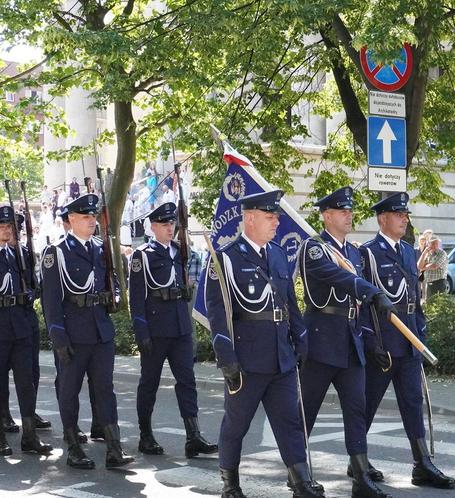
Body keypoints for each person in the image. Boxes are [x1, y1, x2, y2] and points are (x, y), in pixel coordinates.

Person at [205, 190, 324, 498]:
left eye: (276, 217)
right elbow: (218, 314)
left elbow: (289, 304)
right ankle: (230, 484)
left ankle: (300, 482)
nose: (276, 223)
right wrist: (225, 358)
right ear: (250, 218)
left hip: (281, 357)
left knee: (290, 422)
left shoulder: (278, 254)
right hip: (246, 359)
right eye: (270, 217)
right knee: (237, 424)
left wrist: (301, 338)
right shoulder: (225, 258)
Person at [299, 187, 394, 498]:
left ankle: (360, 476)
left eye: (350, 211)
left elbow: (359, 306)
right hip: (321, 341)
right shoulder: (314, 249)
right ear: (327, 216)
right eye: (343, 211)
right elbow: (337, 278)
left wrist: (372, 341)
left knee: (356, 409)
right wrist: (371, 290)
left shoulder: (353, 252)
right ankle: (298, 474)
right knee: (307, 412)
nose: (349, 215)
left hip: (350, 342)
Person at [359, 192, 455, 490]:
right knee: (368, 405)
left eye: (405, 215)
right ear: (383, 218)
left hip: (409, 339)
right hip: (383, 343)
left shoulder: (407, 251)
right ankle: (358, 462)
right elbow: (362, 303)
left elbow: (415, 297)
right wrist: (370, 342)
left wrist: (421, 332)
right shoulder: (368, 253)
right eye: (399, 215)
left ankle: (422, 464)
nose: (405, 219)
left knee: (413, 403)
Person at [41, 193, 134, 470]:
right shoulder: (56, 252)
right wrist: (58, 337)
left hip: (100, 332)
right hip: (72, 332)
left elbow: (112, 284)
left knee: (105, 389)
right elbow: (51, 300)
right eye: (86, 216)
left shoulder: (100, 248)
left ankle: (114, 448)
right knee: (69, 390)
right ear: (71, 220)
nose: (92, 220)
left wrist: (114, 294)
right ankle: (73, 447)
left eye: (93, 216)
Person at [129, 202, 217, 458]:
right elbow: (136, 298)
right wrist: (141, 332)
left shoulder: (181, 251)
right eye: (165, 224)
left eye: (173, 223)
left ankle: (193, 435)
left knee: (187, 381)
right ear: (154, 227)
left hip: (179, 328)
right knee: (149, 383)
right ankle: (146, 434)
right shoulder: (142, 255)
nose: (170, 228)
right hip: (155, 329)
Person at [0, 206, 52, 458]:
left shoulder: (22, 254)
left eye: (10, 226)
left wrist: (31, 292)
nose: (7, 230)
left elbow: (35, 284)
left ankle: (29, 436)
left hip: (21, 325)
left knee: (26, 382)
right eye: (2, 226)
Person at [422, 237, 447, 302]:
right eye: (432, 244)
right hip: (429, 283)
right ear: (429, 245)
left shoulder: (442, 253)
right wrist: (424, 253)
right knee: (429, 304)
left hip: (439, 283)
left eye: (436, 244)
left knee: (439, 304)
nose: (434, 245)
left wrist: (424, 267)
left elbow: (434, 266)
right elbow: (420, 265)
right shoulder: (428, 254)